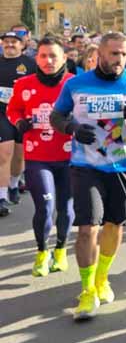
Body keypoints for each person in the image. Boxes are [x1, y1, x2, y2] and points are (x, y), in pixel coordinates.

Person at [50, 31, 126, 320]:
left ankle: (102, 278)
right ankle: (87, 290)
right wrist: (73, 129)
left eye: (124, 54)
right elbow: (57, 116)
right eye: (114, 54)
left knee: (114, 225)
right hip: (85, 165)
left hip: (123, 166)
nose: (119, 59)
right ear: (99, 54)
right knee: (87, 227)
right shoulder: (76, 84)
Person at [7, 36, 74, 276]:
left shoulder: (73, 83)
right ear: (36, 58)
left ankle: (61, 250)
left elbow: (86, 112)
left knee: (65, 207)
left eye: (53, 56)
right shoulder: (23, 84)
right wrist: (19, 122)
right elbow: (13, 109)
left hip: (69, 156)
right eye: (44, 56)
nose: (48, 61)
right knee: (45, 207)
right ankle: (42, 252)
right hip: (38, 156)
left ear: (64, 58)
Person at [0, 30, 36, 216]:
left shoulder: (30, 64)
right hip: (2, 113)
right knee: (4, 153)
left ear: (22, 45)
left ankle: (14, 184)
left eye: (13, 42)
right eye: (6, 41)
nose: (9, 44)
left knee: (19, 155)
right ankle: (1, 196)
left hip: (22, 115)